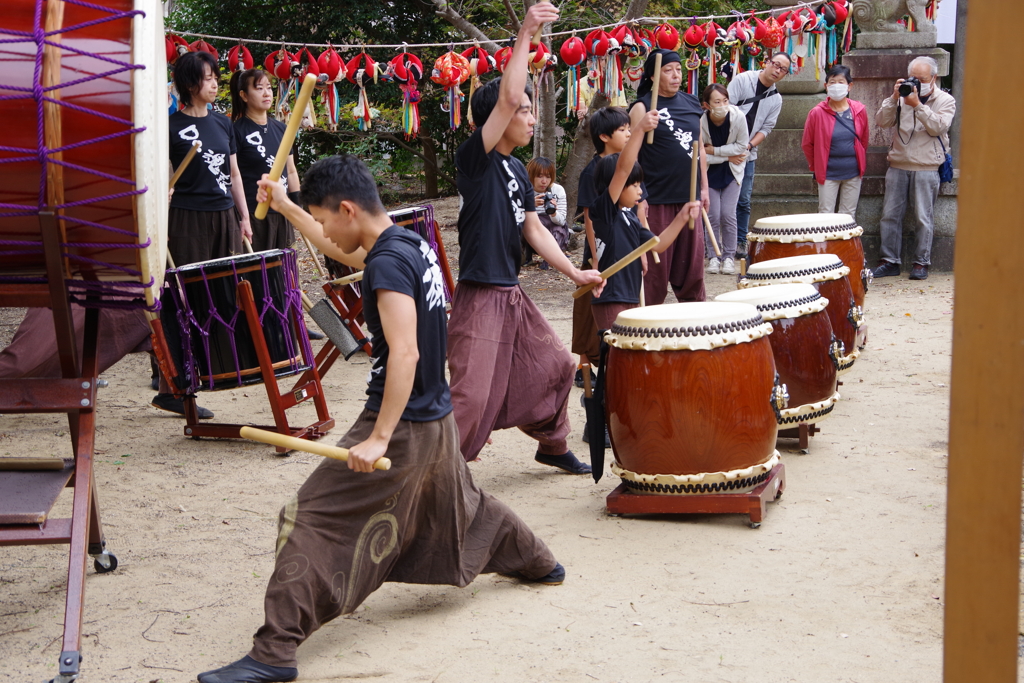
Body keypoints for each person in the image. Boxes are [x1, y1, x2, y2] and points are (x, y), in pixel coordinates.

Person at [196, 155, 565, 683]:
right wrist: (287, 207)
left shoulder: (389, 263)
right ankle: (539, 561)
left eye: (325, 217)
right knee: (465, 507)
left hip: (405, 424)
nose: (322, 229)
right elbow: (336, 245)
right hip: (437, 422)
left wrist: (380, 436)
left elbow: (406, 353)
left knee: (310, 518)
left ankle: (274, 653)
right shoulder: (407, 244)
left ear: (348, 209)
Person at [449, 2, 603, 474]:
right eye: (525, 109)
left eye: (534, 111)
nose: (532, 117)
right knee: (471, 396)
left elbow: (533, 228)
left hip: (511, 294)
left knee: (557, 366)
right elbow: (507, 96)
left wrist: (575, 270)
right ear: (497, 116)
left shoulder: (517, 168)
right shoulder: (476, 161)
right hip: (480, 294)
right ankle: (437, 472)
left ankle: (551, 445)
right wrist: (526, 35)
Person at [154, 50, 251, 417]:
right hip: (185, 219)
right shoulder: (170, 126)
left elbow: (235, 175)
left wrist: (243, 217)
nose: (215, 84)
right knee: (183, 301)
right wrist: (160, 214)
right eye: (209, 78)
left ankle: (215, 371)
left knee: (223, 296)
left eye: (215, 78)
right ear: (191, 84)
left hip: (224, 216)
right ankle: (172, 386)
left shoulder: (224, 123)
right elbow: (161, 177)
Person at [590, 111, 701, 330]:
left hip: (631, 295)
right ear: (618, 185)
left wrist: (681, 217)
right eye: (635, 185)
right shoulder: (604, 212)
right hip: (610, 296)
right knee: (614, 356)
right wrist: (639, 129)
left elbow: (657, 246)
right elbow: (622, 169)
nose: (640, 191)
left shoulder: (630, 217)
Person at [630, 49, 710, 305]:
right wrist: (638, 196)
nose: (676, 75)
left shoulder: (691, 104)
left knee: (692, 270)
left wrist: (704, 189)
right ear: (653, 76)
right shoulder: (643, 107)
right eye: (668, 70)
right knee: (655, 270)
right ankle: (649, 325)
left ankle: (694, 328)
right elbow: (630, 157)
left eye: (678, 69)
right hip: (656, 198)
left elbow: (700, 150)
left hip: (689, 197)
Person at [572, 106, 639, 390]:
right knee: (592, 312)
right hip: (600, 252)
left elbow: (639, 205)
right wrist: (595, 257)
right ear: (604, 136)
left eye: (629, 129)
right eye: (623, 130)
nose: (627, 134)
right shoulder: (594, 171)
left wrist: (644, 249)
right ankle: (585, 364)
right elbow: (590, 216)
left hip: (625, 246)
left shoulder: (629, 168)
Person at [872, 56, 956, 281]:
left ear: (934, 78)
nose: (917, 83)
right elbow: (882, 121)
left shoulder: (945, 100)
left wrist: (918, 105)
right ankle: (889, 261)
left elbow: (939, 126)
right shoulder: (901, 97)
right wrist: (893, 98)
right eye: (914, 78)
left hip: (927, 166)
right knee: (889, 216)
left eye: (922, 79)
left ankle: (921, 262)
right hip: (898, 164)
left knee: (923, 217)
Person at [229, 68, 302, 252]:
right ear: (244, 96)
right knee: (260, 274)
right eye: (259, 88)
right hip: (255, 215)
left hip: (282, 210)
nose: (266, 93)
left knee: (286, 272)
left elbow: (291, 171)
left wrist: (297, 207)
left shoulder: (282, 129)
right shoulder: (235, 131)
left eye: (269, 88)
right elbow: (232, 175)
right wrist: (242, 216)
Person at [728, 52, 790, 257]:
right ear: (767, 63)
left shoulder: (776, 99)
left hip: (748, 154)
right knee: (717, 198)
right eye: (776, 64)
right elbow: (724, 109)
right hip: (724, 149)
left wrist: (748, 146)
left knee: (743, 199)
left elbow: (767, 127)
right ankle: (714, 244)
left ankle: (740, 242)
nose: (778, 70)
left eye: (783, 69)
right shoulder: (742, 80)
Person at [801, 64, 869, 219]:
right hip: (828, 172)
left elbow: (863, 140)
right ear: (826, 86)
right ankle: (825, 244)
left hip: (853, 171)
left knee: (848, 215)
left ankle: (844, 244)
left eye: (841, 82)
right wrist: (817, 165)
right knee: (826, 215)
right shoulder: (817, 112)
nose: (836, 86)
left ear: (849, 86)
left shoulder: (859, 110)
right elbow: (807, 143)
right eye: (832, 82)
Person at [699, 83, 748, 276]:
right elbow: (700, 153)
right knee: (712, 215)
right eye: (717, 102)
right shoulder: (700, 122)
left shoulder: (738, 118)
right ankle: (713, 256)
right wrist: (726, 155)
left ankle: (728, 256)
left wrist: (715, 151)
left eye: (725, 101)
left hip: (732, 171)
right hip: (709, 172)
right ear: (707, 105)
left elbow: (742, 147)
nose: (722, 105)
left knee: (728, 214)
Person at [524, 157, 567, 270]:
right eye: (539, 176)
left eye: (548, 177)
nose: (544, 181)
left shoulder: (558, 190)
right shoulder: (522, 189)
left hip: (552, 227)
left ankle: (552, 259)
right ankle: (524, 257)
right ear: (530, 175)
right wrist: (529, 205)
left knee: (559, 228)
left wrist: (553, 212)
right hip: (529, 228)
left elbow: (562, 220)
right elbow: (512, 216)